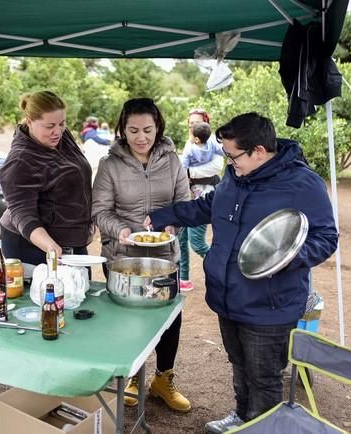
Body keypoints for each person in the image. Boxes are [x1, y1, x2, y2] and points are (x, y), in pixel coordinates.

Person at [145, 112, 338, 433]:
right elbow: (208, 205)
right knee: (239, 363)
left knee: (264, 377)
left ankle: (261, 425)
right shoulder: (237, 174)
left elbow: (326, 237)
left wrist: (286, 258)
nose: (228, 161)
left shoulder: (304, 184)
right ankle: (241, 416)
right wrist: (164, 215)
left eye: (233, 155)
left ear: (259, 151)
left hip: (270, 304)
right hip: (228, 296)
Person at [91, 97, 191, 412]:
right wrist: (120, 229)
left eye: (147, 129)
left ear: (158, 127)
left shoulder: (173, 161)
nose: (141, 137)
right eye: (133, 130)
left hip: (164, 257)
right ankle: (131, 376)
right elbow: (100, 210)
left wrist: (173, 226)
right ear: (123, 129)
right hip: (121, 256)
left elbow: (184, 203)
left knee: (169, 319)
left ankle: (163, 379)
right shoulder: (110, 164)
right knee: (127, 319)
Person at [0, 90, 92, 266]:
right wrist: (49, 245)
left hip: (71, 239)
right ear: (29, 122)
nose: (57, 131)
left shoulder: (60, 136)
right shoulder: (20, 161)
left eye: (62, 124)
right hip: (32, 244)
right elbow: (22, 213)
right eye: (49, 126)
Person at [178, 108, 225, 292]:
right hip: (186, 195)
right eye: (190, 124)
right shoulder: (191, 143)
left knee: (196, 242)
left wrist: (188, 173)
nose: (192, 127)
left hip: (204, 196)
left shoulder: (212, 142)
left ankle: (222, 268)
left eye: (196, 123)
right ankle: (183, 278)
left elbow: (215, 167)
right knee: (181, 238)